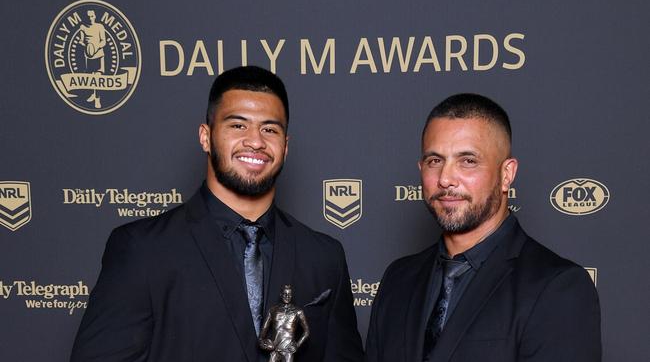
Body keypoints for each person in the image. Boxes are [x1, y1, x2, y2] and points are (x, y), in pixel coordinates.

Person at [70, 66, 363, 362]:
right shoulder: (142, 249)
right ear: (205, 137)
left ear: (285, 147)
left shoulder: (324, 257)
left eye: (270, 129)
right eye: (238, 126)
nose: (256, 141)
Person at [365, 93, 601, 362]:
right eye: (435, 161)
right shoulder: (399, 279)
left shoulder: (557, 287)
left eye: (468, 161)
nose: (445, 179)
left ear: (506, 174)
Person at [259, 285, 309, 362]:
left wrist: (297, 345)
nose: (287, 296)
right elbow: (263, 332)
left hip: (288, 350)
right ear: (281, 294)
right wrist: (262, 343)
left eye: (289, 294)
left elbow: (306, 332)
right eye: (285, 294)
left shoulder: (298, 312)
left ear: (292, 295)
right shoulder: (272, 310)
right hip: (274, 349)